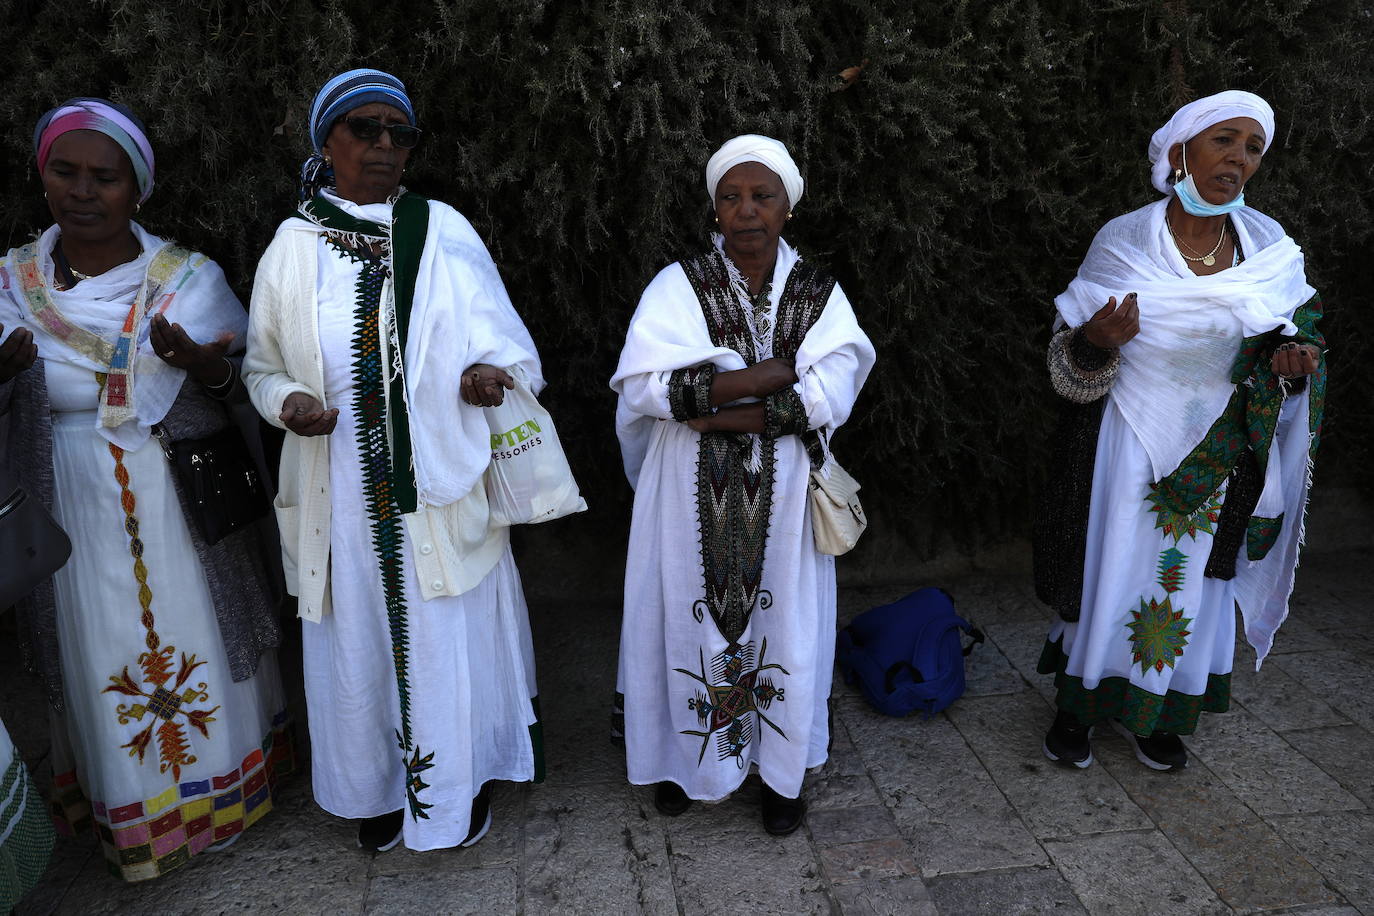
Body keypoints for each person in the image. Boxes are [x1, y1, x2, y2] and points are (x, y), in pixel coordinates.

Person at [244, 69, 544, 853]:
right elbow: (261, 366)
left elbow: (507, 346)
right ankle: (374, 789)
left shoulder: (441, 230)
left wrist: (487, 375)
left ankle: (456, 787)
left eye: (398, 133)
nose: (383, 144)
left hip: (438, 483)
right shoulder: (292, 248)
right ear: (326, 143)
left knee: (444, 632)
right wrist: (289, 404)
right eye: (364, 128)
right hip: (337, 485)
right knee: (357, 638)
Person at [0, 98, 288, 881]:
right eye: (66, 171)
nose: (83, 191)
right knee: (95, 641)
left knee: (204, 628)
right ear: (42, 176)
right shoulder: (11, 284)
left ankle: (227, 794)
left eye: (105, 177)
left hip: (179, 499)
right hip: (68, 501)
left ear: (137, 189)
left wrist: (203, 366)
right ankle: (133, 814)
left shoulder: (189, 280)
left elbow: (247, 386)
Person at [1033, 91, 1325, 771]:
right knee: (1111, 569)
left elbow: (1302, 335)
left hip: (1221, 455)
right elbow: (1065, 358)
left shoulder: (1270, 249)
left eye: (1253, 147)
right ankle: (1079, 709)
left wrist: (1297, 362)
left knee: (1196, 582)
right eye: (1224, 140)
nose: (1239, 158)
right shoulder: (1124, 241)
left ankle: (1160, 711)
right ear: (1179, 152)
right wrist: (1096, 342)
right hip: (1127, 445)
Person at [612, 135, 875, 834]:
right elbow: (642, 386)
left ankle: (779, 776)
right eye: (731, 197)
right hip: (684, 492)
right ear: (715, 209)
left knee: (782, 620)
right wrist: (756, 378)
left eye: (763, 196)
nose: (747, 210)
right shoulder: (677, 285)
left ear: (788, 207)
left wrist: (722, 410)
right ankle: (682, 763)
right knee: (683, 614)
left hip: (785, 496)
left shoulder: (817, 292)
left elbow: (832, 390)